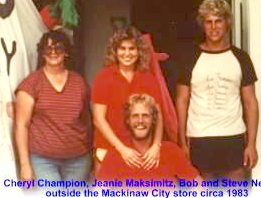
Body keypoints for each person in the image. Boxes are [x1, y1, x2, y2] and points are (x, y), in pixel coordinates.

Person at [176, 0, 259, 180]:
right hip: (199, 138)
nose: (213, 27)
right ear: (203, 25)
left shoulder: (241, 58)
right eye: (208, 22)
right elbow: (181, 102)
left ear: (227, 23)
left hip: (233, 137)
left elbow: (250, 102)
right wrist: (182, 143)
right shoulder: (189, 57)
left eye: (218, 21)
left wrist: (251, 144)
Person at [15, 30, 91, 181]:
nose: (53, 52)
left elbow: (88, 120)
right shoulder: (31, 83)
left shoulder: (79, 82)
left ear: (66, 52)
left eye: (58, 48)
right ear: (42, 53)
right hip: (43, 160)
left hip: (79, 160)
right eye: (48, 48)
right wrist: (24, 165)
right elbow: (21, 125)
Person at [92, 26, 163, 174]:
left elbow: (158, 115)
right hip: (109, 147)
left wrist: (156, 145)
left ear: (139, 52)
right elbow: (98, 119)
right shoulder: (104, 77)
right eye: (122, 49)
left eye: (132, 49)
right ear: (115, 52)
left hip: (139, 150)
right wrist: (122, 149)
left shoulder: (148, 78)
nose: (127, 53)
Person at [96, 94, 200, 183]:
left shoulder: (171, 151)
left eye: (145, 116)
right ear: (128, 120)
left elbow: (200, 187)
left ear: (154, 119)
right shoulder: (114, 155)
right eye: (135, 116)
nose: (140, 120)